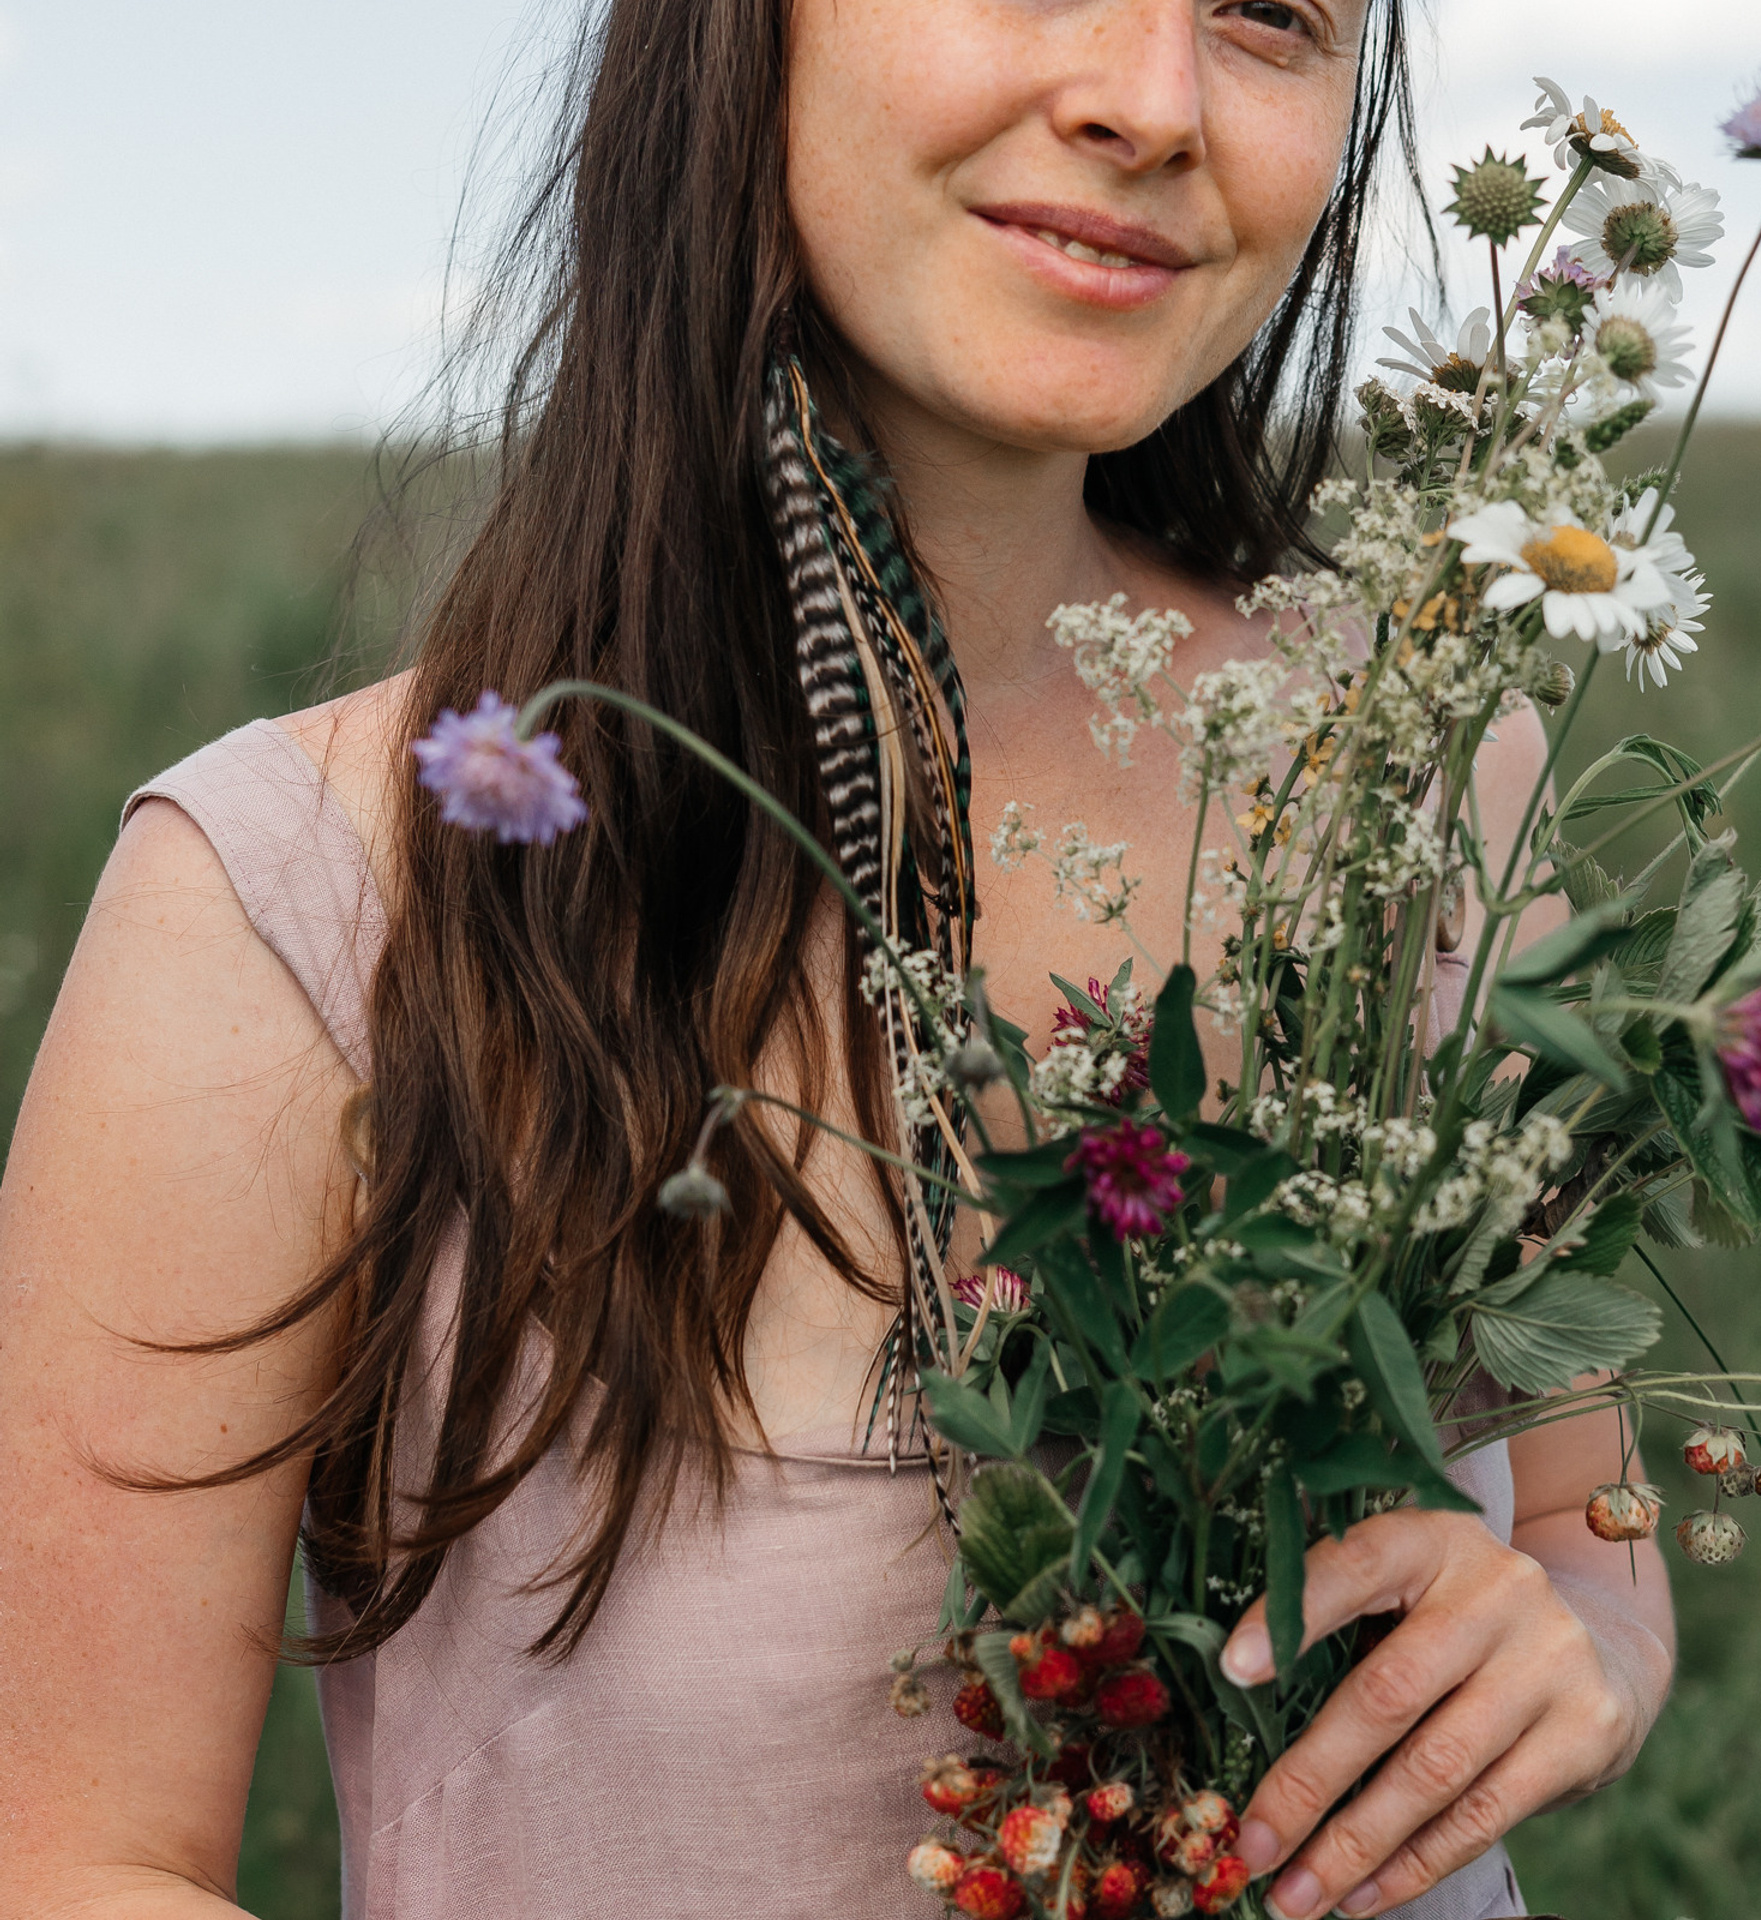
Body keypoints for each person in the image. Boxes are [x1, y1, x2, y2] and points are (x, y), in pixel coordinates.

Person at [0, 3, 1675, 1917]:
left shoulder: (1433, 772)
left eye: (1269, 15)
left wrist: (1588, 1644)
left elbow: (1573, 1517)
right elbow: (73, 1861)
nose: (1149, 100)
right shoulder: (295, 902)